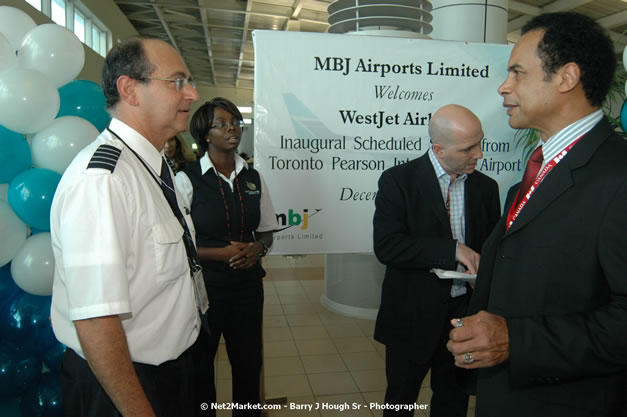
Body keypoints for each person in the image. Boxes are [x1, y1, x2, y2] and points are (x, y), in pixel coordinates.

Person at [447, 12, 627, 417]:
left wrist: (517, 340)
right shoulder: (533, 174)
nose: (503, 87)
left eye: (517, 73)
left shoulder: (618, 176)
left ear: (566, 78)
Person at [50, 37, 206, 417]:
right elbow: (96, 320)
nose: (193, 93)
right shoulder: (103, 181)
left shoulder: (152, 165)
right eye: (178, 81)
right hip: (125, 386)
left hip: (174, 371)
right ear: (130, 89)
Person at [373, 104, 500, 416]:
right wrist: (452, 249)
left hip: (464, 315)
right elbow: (388, 247)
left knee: (453, 402)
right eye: (469, 147)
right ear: (439, 149)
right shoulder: (398, 181)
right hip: (411, 316)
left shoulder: (486, 188)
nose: (479, 154)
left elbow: (491, 251)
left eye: (480, 142)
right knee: (400, 401)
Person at [176, 97, 277, 416]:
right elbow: (176, 241)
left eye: (235, 122)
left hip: (247, 288)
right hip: (205, 289)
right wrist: (220, 254)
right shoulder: (186, 180)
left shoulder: (253, 178)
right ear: (205, 134)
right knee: (201, 366)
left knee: (248, 363)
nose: (232, 128)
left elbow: (266, 230)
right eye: (222, 123)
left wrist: (257, 249)